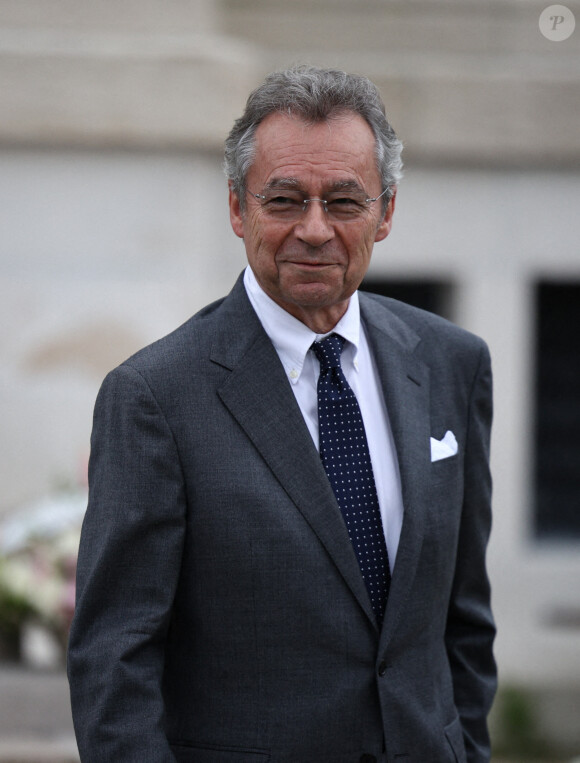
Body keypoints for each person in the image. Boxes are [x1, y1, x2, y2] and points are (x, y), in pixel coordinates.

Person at [68, 66, 496, 763]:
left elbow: (463, 623)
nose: (315, 228)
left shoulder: (452, 362)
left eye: (345, 201)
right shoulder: (154, 397)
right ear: (238, 208)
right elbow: (114, 660)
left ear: (387, 211)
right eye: (286, 199)